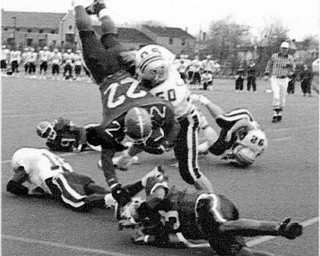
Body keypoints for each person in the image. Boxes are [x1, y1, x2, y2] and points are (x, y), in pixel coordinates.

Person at [73, 0, 180, 206]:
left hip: (123, 64)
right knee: (86, 31)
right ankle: (80, 4)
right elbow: (106, 160)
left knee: (108, 35)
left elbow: (174, 125)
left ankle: (101, 8)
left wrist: (165, 143)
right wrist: (113, 186)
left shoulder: (159, 108)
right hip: (104, 70)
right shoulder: (157, 110)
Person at [117, 165, 303, 256]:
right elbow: (181, 241)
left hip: (206, 204)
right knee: (237, 252)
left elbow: (158, 193)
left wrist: (140, 210)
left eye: (133, 206)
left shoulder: (152, 193)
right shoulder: (155, 226)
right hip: (208, 229)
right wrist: (147, 238)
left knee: (220, 225)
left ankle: (280, 228)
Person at [132, 44, 213, 192]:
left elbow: (167, 124)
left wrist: (130, 154)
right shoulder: (170, 70)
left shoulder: (164, 91)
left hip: (184, 121)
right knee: (184, 166)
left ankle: (214, 202)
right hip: (176, 116)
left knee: (190, 172)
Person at [6, 147, 158, 212]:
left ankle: (114, 199)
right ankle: (141, 184)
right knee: (103, 192)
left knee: (80, 203)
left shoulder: (22, 160)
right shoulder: (40, 154)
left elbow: (12, 185)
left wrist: (27, 192)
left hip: (58, 179)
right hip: (76, 176)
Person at [190, 94, 267, 166]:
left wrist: (232, 156)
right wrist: (230, 131)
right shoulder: (253, 139)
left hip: (239, 132)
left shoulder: (254, 151)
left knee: (217, 149)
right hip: (244, 118)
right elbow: (244, 122)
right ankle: (202, 99)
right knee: (223, 120)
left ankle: (203, 148)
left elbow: (247, 157)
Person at [264, 42, 295, 123]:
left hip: (284, 79)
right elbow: (269, 64)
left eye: (286, 49)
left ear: (288, 49)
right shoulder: (274, 56)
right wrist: (266, 74)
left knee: (282, 98)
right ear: (280, 48)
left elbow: (293, 68)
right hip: (275, 78)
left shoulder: (290, 58)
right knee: (276, 96)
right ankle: (275, 114)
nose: (284, 50)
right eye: (283, 48)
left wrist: (291, 72)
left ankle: (279, 114)